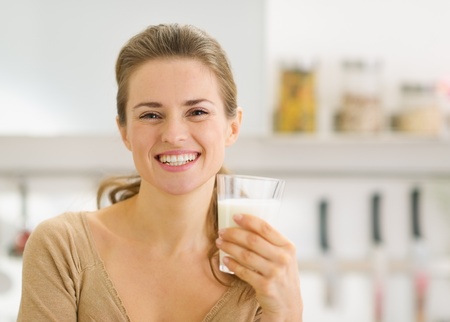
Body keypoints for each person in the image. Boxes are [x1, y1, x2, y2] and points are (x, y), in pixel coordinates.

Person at [17, 23, 303, 321]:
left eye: (197, 112)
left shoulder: (262, 268)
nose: (174, 134)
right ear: (124, 132)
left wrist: (287, 313)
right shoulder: (62, 248)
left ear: (232, 127)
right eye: (151, 115)